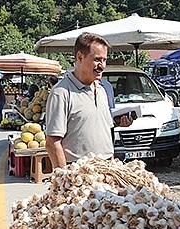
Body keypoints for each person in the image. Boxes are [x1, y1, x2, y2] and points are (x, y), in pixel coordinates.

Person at [45, 32, 132, 168]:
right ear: (80, 57)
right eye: (97, 59)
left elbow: (103, 129)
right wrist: (65, 178)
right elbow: (52, 142)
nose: (102, 66)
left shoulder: (102, 90)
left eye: (104, 60)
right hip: (80, 173)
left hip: (107, 169)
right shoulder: (61, 93)